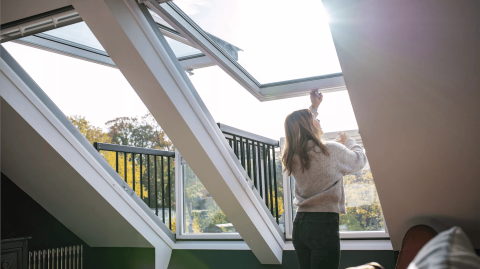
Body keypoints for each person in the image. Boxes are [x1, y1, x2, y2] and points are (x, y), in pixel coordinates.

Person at [282, 90, 367, 269]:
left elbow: (297, 124)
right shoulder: (330, 150)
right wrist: (349, 141)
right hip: (323, 224)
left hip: (301, 224)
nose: (318, 120)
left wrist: (313, 107)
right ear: (308, 125)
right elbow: (360, 160)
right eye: (314, 118)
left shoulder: (293, 155)